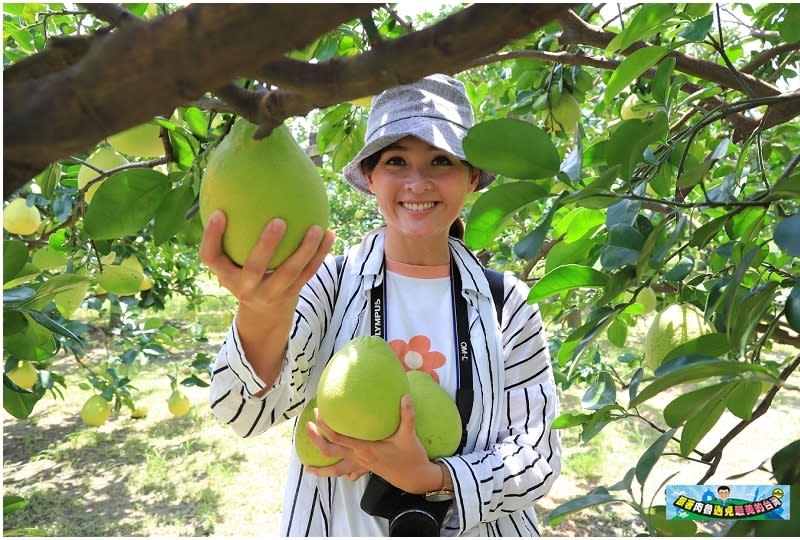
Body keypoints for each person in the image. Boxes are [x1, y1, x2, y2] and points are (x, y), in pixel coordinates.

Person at [202, 73, 561, 536]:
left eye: (440, 160)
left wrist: (435, 479)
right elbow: (241, 413)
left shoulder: (505, 302)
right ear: (371, 178)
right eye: (396, 160)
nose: (418, 182)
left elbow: (537, 456)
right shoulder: (325, 283)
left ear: (471, 178)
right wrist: (261, 310)